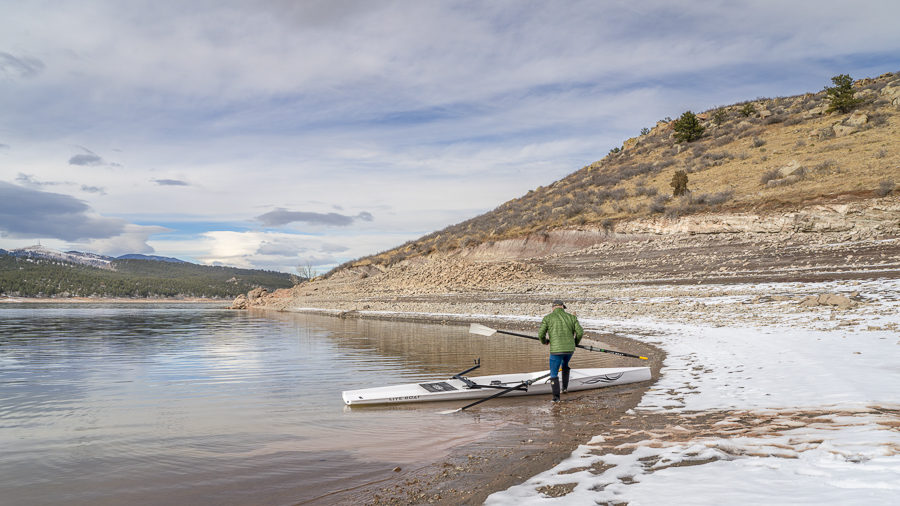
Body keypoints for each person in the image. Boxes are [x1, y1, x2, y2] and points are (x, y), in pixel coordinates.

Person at [538, 300, 584, 403]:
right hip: (569, 350)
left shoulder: (548, 318)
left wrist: (545, 342)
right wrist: (575, 343)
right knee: (565, 364)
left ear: (552, 308)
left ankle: (556, 399)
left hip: (556, 351)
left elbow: (541, 334)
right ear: (562, 306)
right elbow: (580, 332)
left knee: (554, 373)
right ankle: (564, 388)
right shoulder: (572, 317)